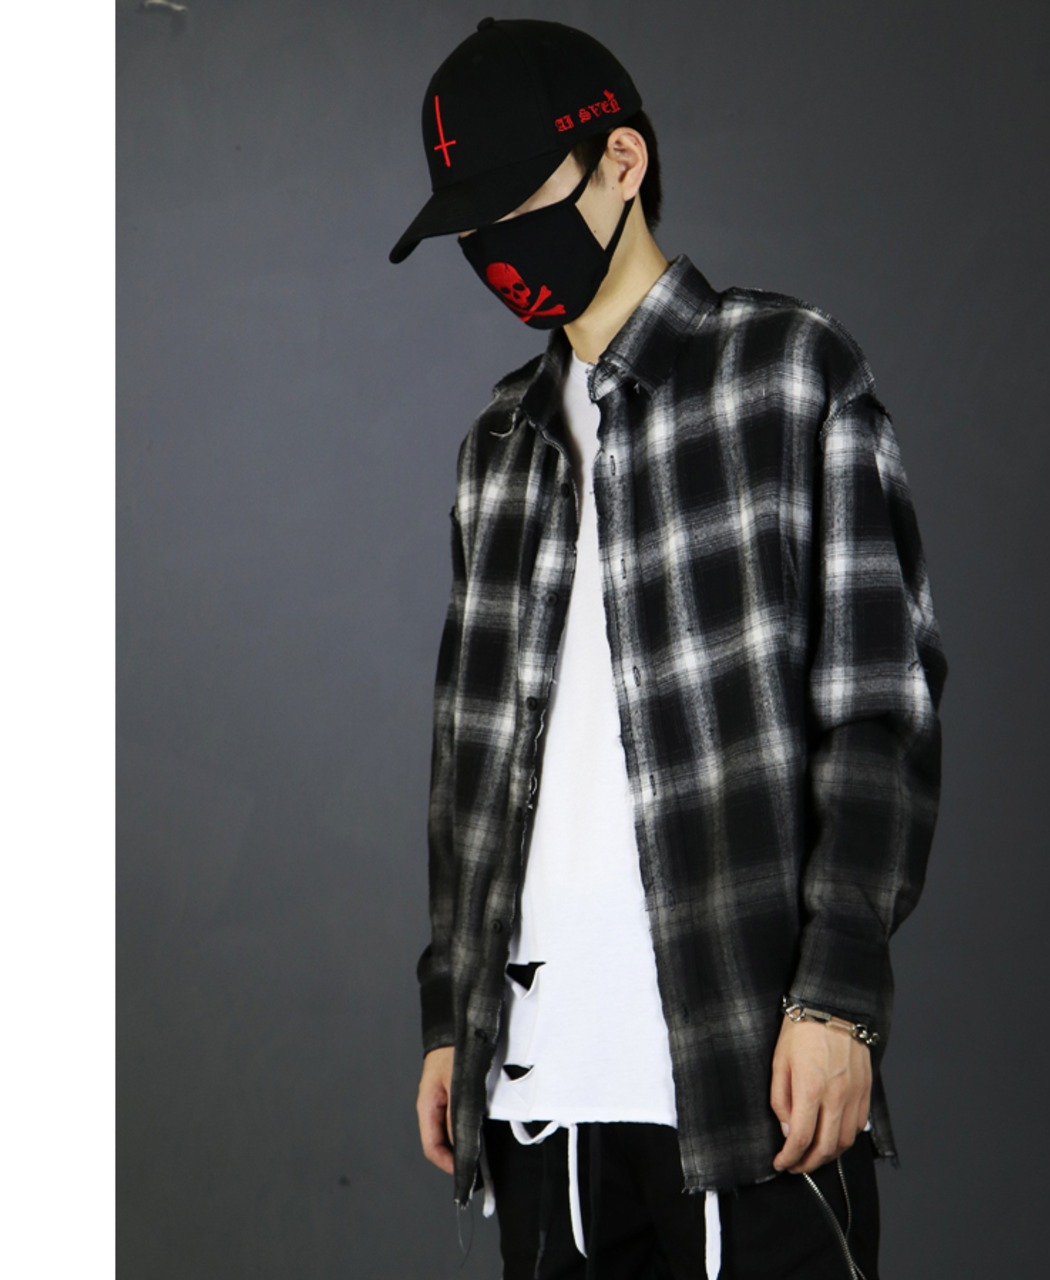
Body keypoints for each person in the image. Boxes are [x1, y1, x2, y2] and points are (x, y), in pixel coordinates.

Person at [389, 17, 946, 1280]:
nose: (494, 247)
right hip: (536, 1094)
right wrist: (450, 1010)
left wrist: (837, 995)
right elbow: (468, 765)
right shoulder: (498, 445)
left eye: (514, 203)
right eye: (470, 225)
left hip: (742, 1073)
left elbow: (879, 713)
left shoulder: (788, 374)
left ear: (620, 161)